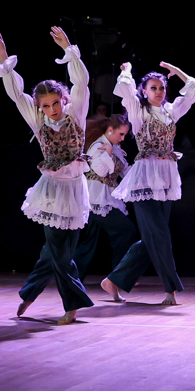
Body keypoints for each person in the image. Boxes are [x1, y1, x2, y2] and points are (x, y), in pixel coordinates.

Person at [0, 26, 95, 325]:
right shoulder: (37, 120)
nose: (52, 109)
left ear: (63, 99)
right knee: (59, 252)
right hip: (50, 191)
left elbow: (82, 83)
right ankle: (73, 304)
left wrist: (68, 50)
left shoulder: (76, 114)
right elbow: (16, 94)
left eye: (55, 103)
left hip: (75, 189)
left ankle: (29, 293)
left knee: (56, 251)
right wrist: (3, 58)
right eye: (46, 105)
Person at [101, 61, 195, 306]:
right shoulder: (139, 111)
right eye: (153, 88)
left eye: (162, 87)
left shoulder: (170, 111)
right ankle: (171, 289)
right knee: (161, 236)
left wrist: (178, 72)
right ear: (144, 90)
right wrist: (126, 71)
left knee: (153, 239)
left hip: (165, 180)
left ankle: (113, 280)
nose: (158, 91)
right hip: (144, 181)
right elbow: (125, 89)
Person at [73, 114, 138, 281]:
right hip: (96, 199)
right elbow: (101, 171)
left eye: (124, 135)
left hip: (105, 198)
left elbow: (125, 172)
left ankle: (73, 277)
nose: (122, 139)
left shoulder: (114, 147)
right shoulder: (99, 146)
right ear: (110, 130)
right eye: (121, 134)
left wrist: (144, 168)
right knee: (126, 231)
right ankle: (117, 278)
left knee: (91, 242)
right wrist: (107, 154)